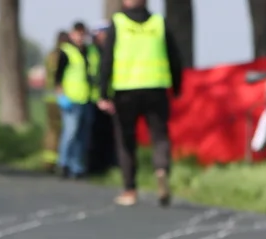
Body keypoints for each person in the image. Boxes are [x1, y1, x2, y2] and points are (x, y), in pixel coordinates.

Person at [96, 0, 183, 207]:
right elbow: (174, 57)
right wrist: (177, 86)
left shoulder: (118, 23)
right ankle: (161, 169)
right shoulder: (159, 23)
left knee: (126, 141)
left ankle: (130, 189)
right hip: (156, 89)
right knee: (160, 135)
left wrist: (103, 93)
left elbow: (106, 59)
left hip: (125, 90)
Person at [53, 22, 95, 180]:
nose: (80, 37)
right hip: (71, 99)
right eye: (78, 34)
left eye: (82, 34)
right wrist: (61, 96)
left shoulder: (89, 52)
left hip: (86, 98)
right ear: (72, 34)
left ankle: (77, 166)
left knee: (82, 136)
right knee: (70, 133)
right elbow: (58, 77)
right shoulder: (66, 52)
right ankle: (63, 163)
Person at [87, 21, 116, 176]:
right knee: (94, 135)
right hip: (93, 98)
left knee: (109, 135)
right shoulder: (90, 51)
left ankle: (108, 166)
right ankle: (94, 167)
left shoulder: (111, 50)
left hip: (110, 98)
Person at [42, 31, 69, 174]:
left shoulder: (51, 54)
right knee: (57, 130)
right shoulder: (59, 55)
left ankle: (50, 161)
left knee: (52, 130)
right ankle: (53, 162)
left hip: (50, 97)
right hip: (57, 98)